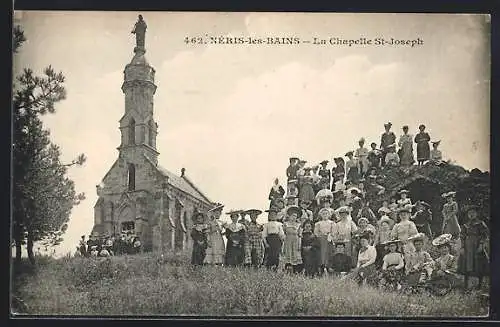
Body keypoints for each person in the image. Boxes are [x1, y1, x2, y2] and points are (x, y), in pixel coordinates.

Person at [459, 204, 489, 290]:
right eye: (469, 213)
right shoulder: (466, 225)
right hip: (468, 247)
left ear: (476, 213)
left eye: (473, 213)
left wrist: (481, 245)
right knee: (466, 265)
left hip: (477, 245)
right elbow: (462, 236)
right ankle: (465, 285)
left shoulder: (480, 224)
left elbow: (484, 235)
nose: (471, 215)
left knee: (479, 264)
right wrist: (462, 247)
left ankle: (479, 285)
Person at [283, 206, 303, 274]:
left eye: (295, 216)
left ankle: (295, 271)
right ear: (289, 216)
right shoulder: (286, 224)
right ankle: (287, 270)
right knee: (288, 254)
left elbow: (300, 235)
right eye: (292, 215)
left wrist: (299, 243)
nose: (294, 217)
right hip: (288, 240)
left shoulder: (298, 225)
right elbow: (283, 233)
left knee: (295, 254)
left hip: (296, 241)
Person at [314, 208, 335, 274]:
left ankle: (329, 266)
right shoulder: (318, 223)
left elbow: (334, 232)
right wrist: (321, 235)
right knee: (322, 253)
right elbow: (316, 232)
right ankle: (322, 266)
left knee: (329, 252)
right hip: (321, 240)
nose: (325, 215)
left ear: (329, 214)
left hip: (329, 239)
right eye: (323, 214)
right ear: (321, 215)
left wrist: (330, 235)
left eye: (326, 213)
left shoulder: (332, 223)